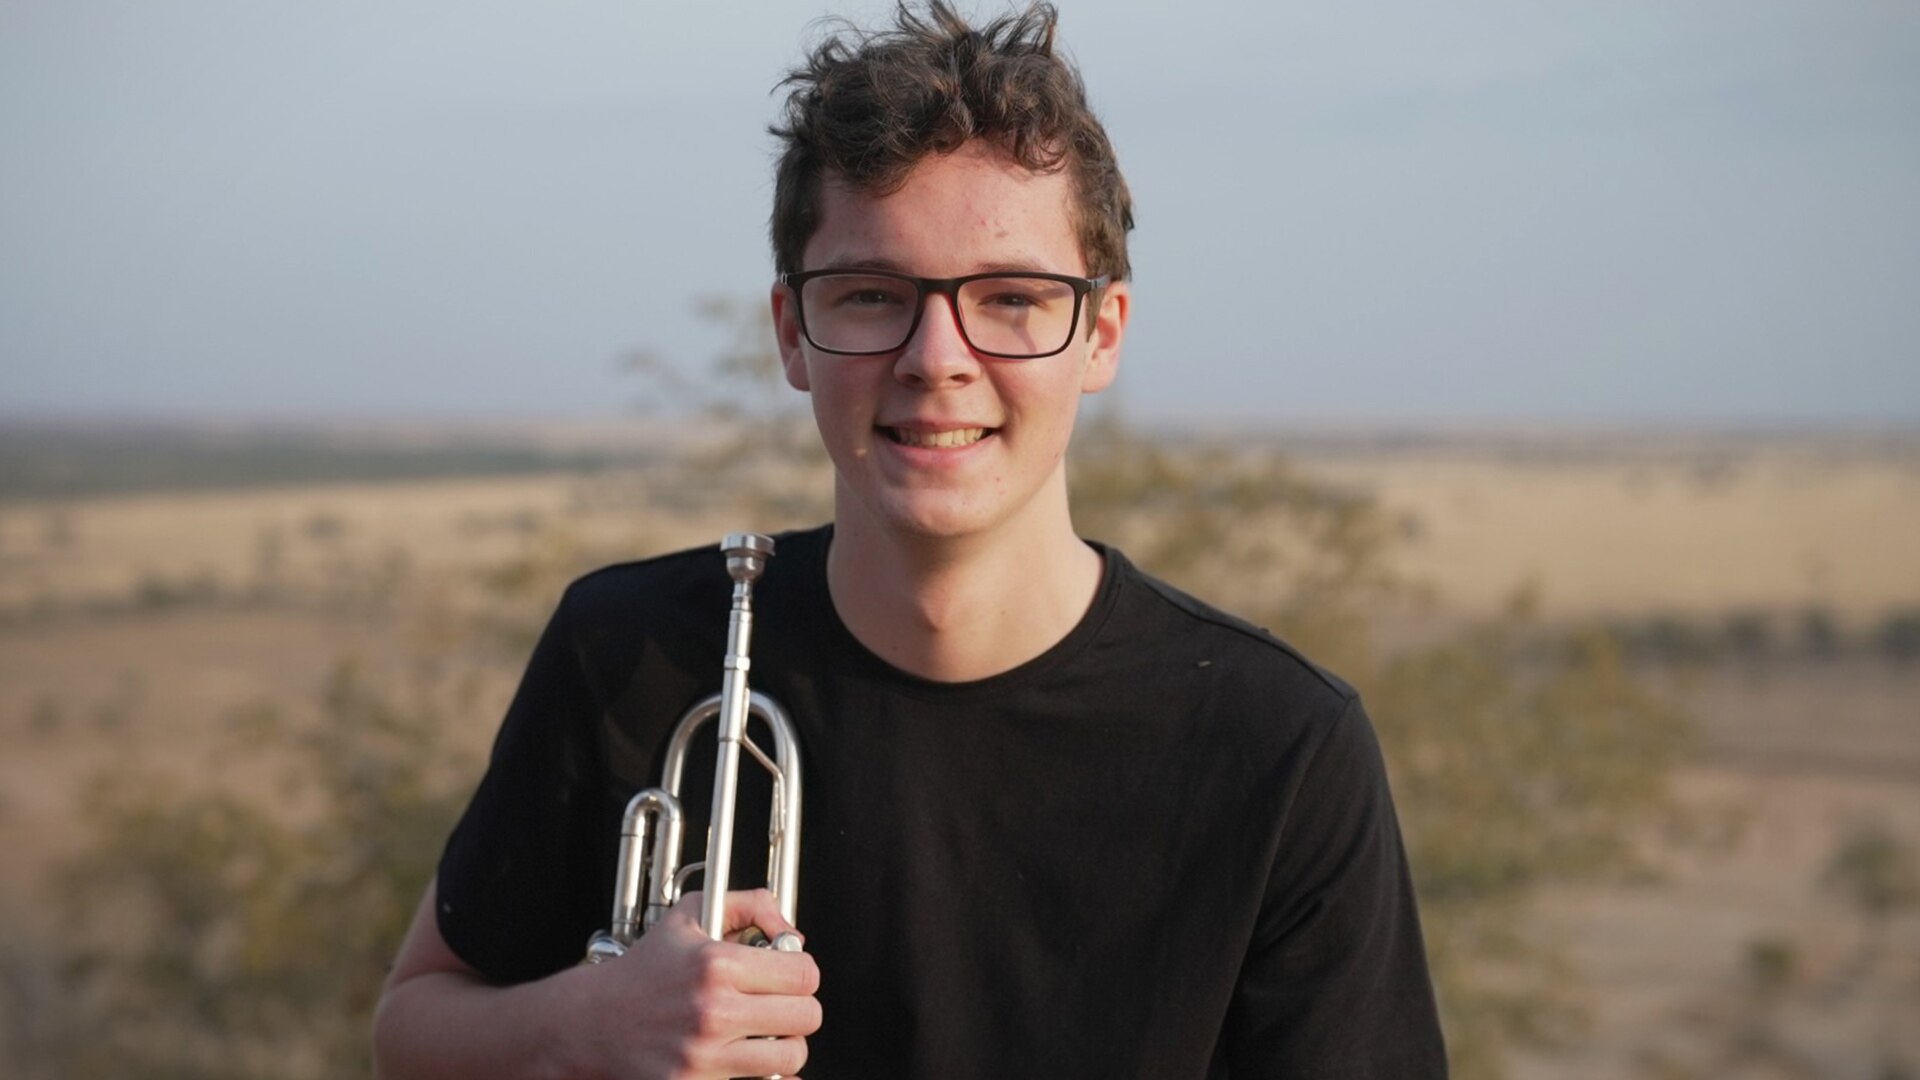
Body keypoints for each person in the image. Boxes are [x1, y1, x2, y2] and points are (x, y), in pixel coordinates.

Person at [373, 3, 1447, 1077]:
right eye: (873, 295)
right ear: (792, 333)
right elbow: (411, 1030)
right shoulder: (627, 651)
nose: (937, 358)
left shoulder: (1282, 745)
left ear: (1102, 334)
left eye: (1013, 297)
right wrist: (583, 1026)